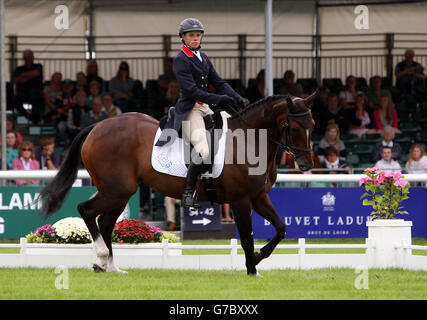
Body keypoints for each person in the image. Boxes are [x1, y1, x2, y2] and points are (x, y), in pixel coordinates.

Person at [155, 18, 249, 209]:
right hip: (191, 108)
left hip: (206, 106)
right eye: (191, 35)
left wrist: (238, 98)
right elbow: (190, 91)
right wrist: (219, 99)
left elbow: (220, 82)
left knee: (231, 138)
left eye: (198, 35)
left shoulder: (203, 57)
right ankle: (188, 193)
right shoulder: (181, 59)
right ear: (183, 37)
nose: (195, 38)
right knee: (204, 151)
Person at [12, 49, 44, 124]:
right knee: (14, 100)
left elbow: (36, 73)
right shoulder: (19, 68)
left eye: (29, 57)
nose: (28, 59)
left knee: (35, 97)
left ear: (33, 57)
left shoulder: (38, 66)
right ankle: (27, 115)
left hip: (36, 91)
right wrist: (30, 75)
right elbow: (16, 80)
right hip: (23, 92)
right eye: (26, 57)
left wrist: (23, 75)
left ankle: (35, 119)